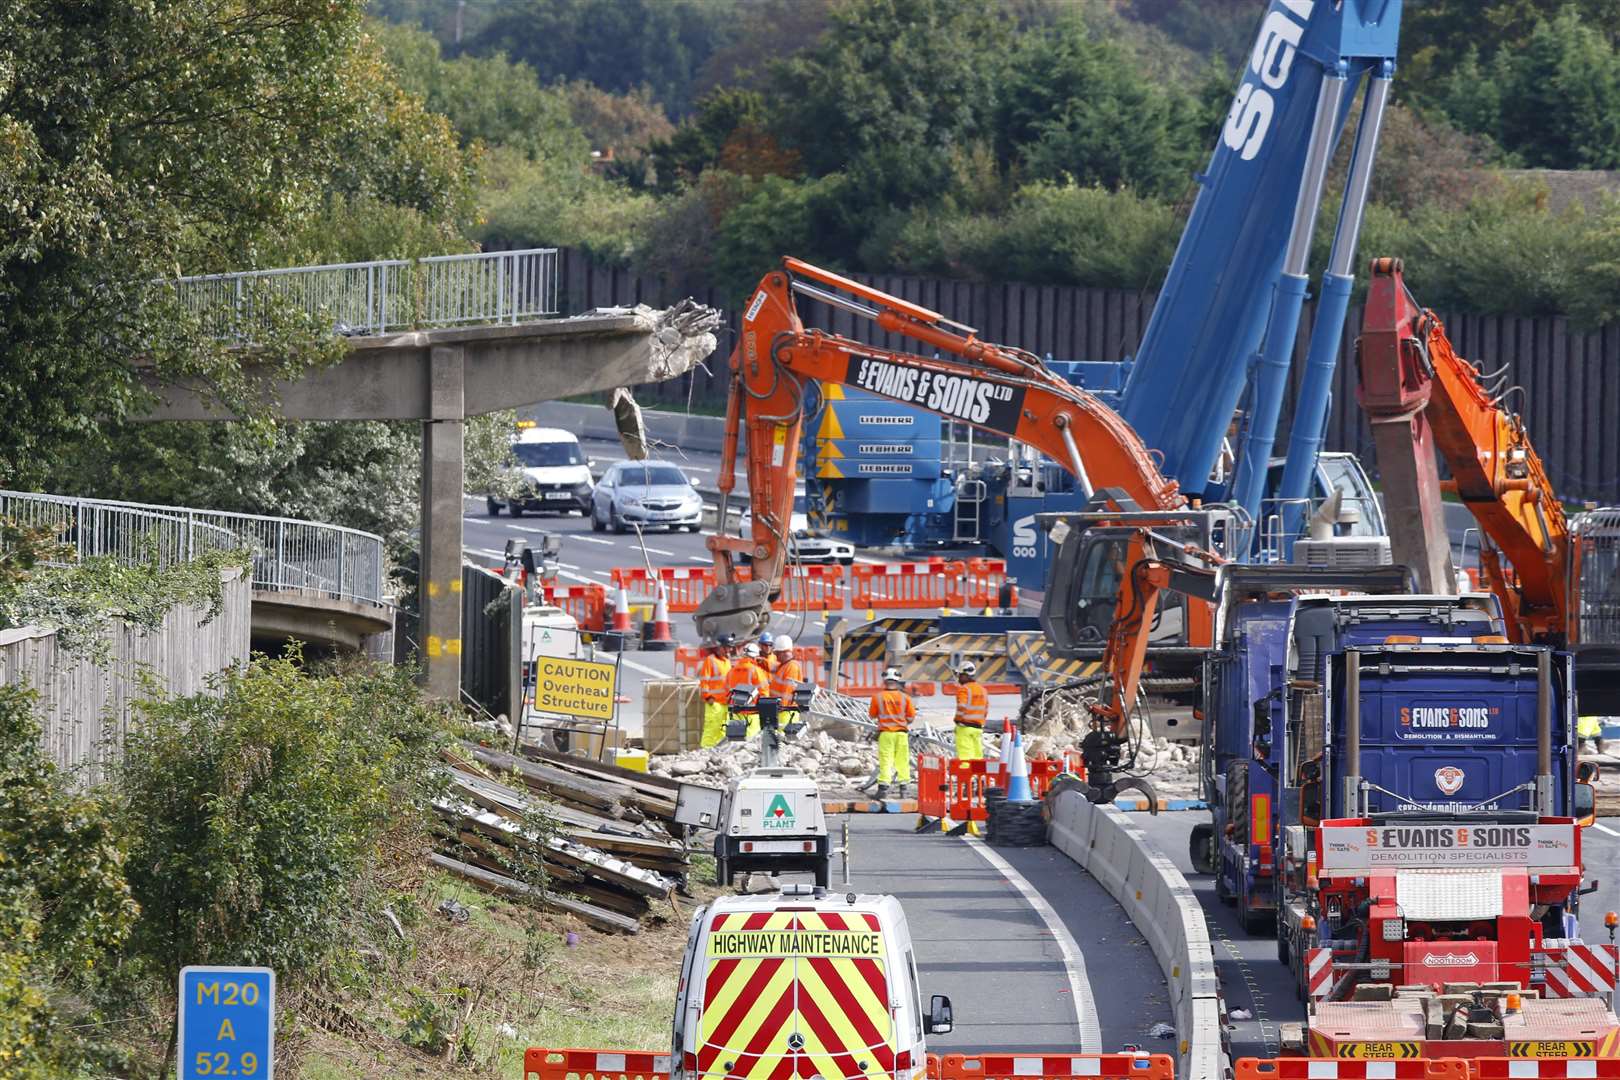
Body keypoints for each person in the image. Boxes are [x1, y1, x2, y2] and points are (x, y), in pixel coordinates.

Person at [870, 667, 916, 799]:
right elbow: (911, 718)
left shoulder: (877, 697)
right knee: (902, 761)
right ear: (897, 681)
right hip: (901, 734)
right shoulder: (905, 698)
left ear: (885, 681)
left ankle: (883, 789)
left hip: (886, 734)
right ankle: (904, 790)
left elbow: (872, 715)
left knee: (886, 761)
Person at [725, 641, 772, 738]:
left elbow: (726, 691)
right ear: (755, 657)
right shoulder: (756, 671)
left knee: (736, 740)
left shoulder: (732, 671)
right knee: (750, 741)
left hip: (735, 712)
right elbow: (764, 692)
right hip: (752, 712)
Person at [698, 634, 735, 748]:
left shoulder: (727, 661)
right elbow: (704, 680)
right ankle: (705, 751)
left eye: (730, 647)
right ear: (720, 647)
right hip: (714, 702)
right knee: (711, 729)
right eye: (728, 647)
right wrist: (708, 697)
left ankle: (718, 752)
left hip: (725, 702)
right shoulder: (711, 660)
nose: (730, 650)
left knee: (723, 731)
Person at [951, 661, 988, 761]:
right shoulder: (982, 690)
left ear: (965, 675)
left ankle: (965, 775)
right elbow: (985, 710)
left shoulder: (964, 689)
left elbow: (962, 707)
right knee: (977, 756)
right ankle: (978, 776)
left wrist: (957, 720)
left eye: (960, 675)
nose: (958, 678)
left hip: (965, 728)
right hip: (978, 729)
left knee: (965, 757)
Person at [770, 635, 805, 729]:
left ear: (782, 653)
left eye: (777, 653)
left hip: (786, 711)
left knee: (784, 739)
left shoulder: (791, 667)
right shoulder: (784, 666)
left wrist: (781, 708)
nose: (776, 656)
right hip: (781, 710)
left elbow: (788, 692)